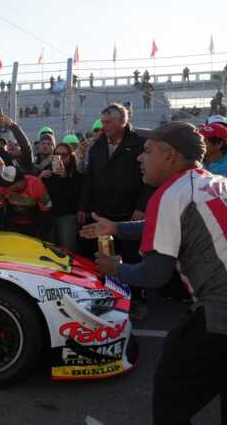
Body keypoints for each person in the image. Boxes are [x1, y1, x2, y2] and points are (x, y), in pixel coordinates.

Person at [80, 122, 227, 424]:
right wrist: (117, 227)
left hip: (219, 312)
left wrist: (115, 269)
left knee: (170, 397)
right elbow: (171, 224)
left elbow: (154, 275)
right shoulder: (214, 182)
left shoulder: (170, 194)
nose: (139, 157)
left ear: (169, 156)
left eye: (147, 151)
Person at [78, 103, 153, 263]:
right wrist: (83, 206)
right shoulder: (97, 145)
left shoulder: (140, 144)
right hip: (103, 212)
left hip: (130, 214)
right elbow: (90, 177)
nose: (103, 126)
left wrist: (141, 207)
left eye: (108, 122)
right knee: (106, 257)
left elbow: (150, 179)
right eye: (102, 122)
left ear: (122, 122)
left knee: (130, 258)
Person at [40, 143, 83, 251]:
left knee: (67, 248)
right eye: (57, 154)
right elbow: (39, 191)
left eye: (64, 155)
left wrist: (64, 177)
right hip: (49, 215)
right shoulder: (48, 169)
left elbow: (77, 193)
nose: (60, 157)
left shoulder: (75, 171)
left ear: (70, 156)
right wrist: (40, 176)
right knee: (50, 249)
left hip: (67, 215)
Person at [0, 165, 52, 238]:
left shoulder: (36, 184)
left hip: (34, 224)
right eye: (3, 183)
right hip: (12, 223)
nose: (4, 186)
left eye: (7, 184)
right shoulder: (1, 186)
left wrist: (42, 233)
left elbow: (46, 208)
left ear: (19, 183)